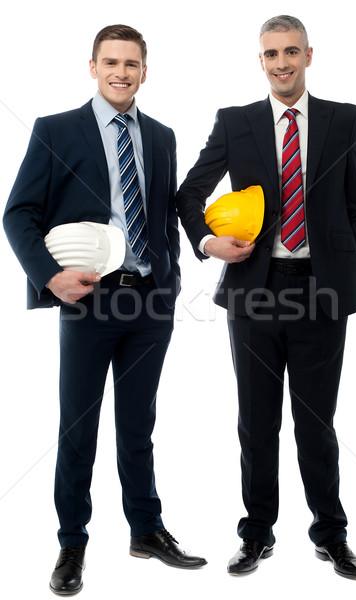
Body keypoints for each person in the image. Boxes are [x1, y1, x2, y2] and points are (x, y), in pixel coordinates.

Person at [3, 24, 206, 596]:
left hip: (151, 303)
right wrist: (49, 277)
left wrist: (171, 280)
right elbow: (18, 214)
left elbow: (166, 214)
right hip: (89, 299)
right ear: (92, 67)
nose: (121, 72)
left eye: (132, 63)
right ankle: (72, 542)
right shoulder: (56, 130)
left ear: (146, 71)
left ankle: (146, 530)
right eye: (111, 62)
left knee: (139, 425)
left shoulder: (162, 136)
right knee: (78, 427)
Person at [176, 15, 356, 579]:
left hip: (321, 290)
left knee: (316, 422)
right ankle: (257, 534)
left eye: (290, 51)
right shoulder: (236, 123)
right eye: (270, 54)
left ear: (310, 54)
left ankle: (331, 534)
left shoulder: (344, 119)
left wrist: (345, 270)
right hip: (255, 291)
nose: (281, 62)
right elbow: (190, 192)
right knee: (256, 421)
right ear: (260, 61)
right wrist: (209, 241)